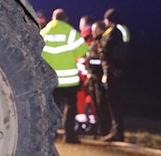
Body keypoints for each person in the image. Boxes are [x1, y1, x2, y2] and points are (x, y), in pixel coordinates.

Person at [40, 9, 89, 143]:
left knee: (51, 108)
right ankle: (69, 135)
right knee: (70, 107)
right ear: (65, 19)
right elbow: (83, 51)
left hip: (50, 80)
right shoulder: (71, 33)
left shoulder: (43, 33)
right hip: (69, 80)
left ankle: (51, 136)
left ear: (53, 18)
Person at [99, 8, 129, 142]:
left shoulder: (114, 32)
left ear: (108, 19)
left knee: (114, 102)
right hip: (117, 70)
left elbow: (108, 51)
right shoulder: (121, 30)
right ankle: (117, 129)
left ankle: (117, 131)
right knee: (115, 102)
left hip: (113, 71)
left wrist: (114, 68)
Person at [85, 21, 110, 136]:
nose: (93, 32)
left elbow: (101, 60)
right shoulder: (94, 42)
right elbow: (89, 59)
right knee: (95, 104)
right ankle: (100, 128)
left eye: (95, 30)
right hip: (92, 78)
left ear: (100, 30)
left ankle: (105, 129)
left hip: (99, 78)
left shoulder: (101, 42)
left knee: (101, 104)